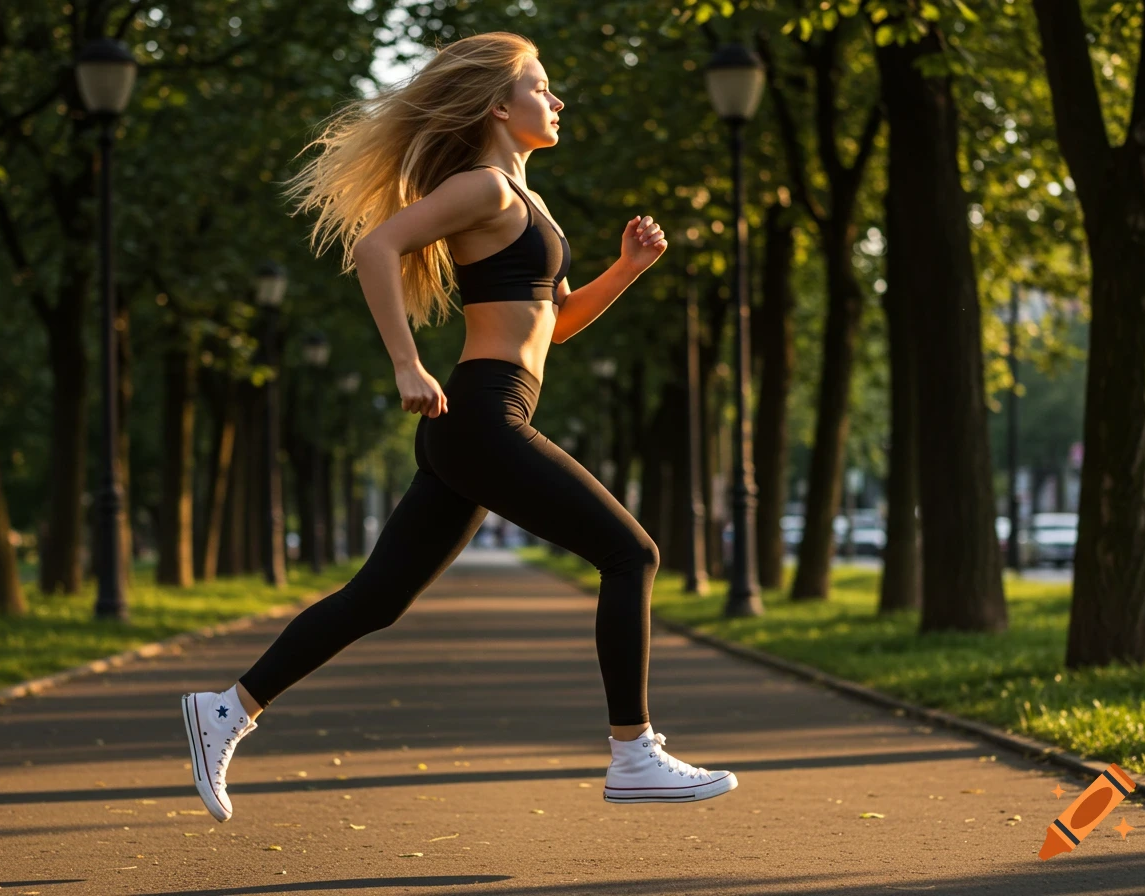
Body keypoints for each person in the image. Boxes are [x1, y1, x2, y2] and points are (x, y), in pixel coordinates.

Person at [180, 31, 738, 821]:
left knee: (376, 600)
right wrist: (406, 363)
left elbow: (559, 319)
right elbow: (378, 247)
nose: (557, 100)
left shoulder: (527, 200)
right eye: (542, 88)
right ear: (499, 107)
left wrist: (627, 269)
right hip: (480, 415)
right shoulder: (487, 189)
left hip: (480, 420)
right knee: (631, 552)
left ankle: (226, 709)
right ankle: (633, 752)